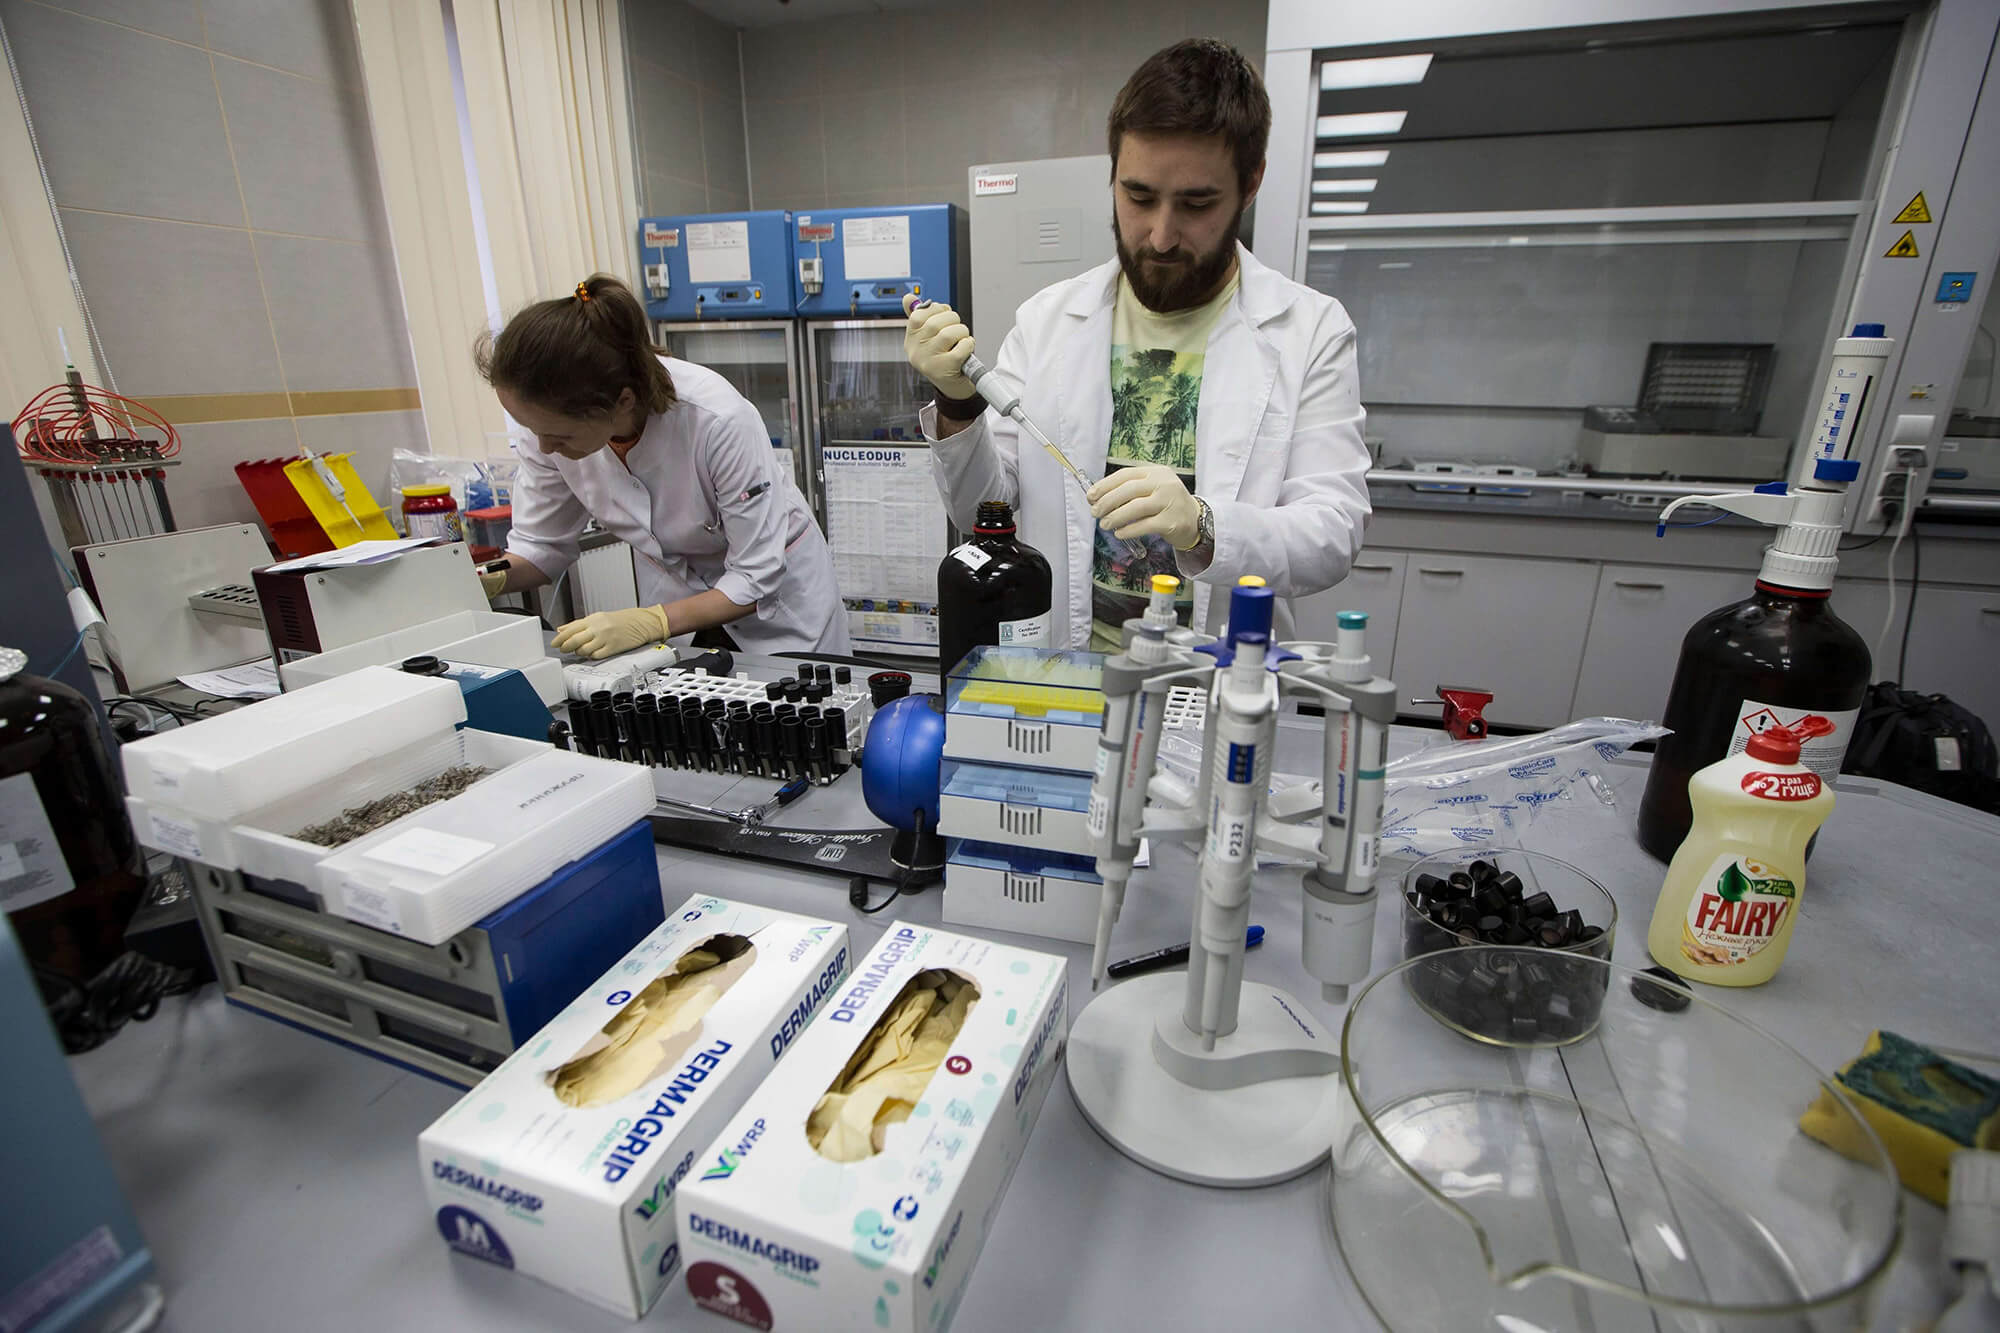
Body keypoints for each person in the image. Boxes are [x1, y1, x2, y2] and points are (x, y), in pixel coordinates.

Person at [904, 39, 1370, 648]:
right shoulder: (1049, 320)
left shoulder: (1310, 330)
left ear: (1250, 183)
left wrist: (1203, 526)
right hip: (1068, 676)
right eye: (1139, 196)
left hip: (1213, 685)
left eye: (1196, 203)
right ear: (1114, 174)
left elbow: (1332, 536)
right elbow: (983, 514)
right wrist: (958, 402)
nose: (1161, 235)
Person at [477, 275, 848, 658]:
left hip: (781, 614)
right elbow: (540, 548)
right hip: (679, 615)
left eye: (561, 436)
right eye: (533, 431)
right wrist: (483, 579)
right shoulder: (547, 425)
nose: (543, 447)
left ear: (621, 401)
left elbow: (756, 577)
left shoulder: (716, 420)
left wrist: (652, 622)